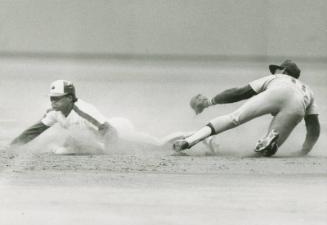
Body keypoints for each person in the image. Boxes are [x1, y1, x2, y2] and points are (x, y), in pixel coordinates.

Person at [10, 80, 215, 154]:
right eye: (51, 98)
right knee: (66, 149)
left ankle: (200, 134)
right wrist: (15, 144)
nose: (53, 101)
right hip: (103, 134)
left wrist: (111, 153)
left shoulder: (83, 111)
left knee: (158, 145)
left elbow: (108, 131)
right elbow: (36, 129)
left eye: (58, 98)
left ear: (70, 98)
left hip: (118, 129)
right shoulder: (54, 112)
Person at [173, 60, 320, 157]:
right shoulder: (308, 90)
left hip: (278, 92)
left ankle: (189, 141)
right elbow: (314, 127)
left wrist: (210, 102)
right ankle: (269, 140)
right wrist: (304, 151)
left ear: (284, 71)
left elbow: (239, 93)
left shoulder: (277, 78)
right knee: (266, 151)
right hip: (298, 106)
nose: (274, 72)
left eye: (277, 69)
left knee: (234, 118)